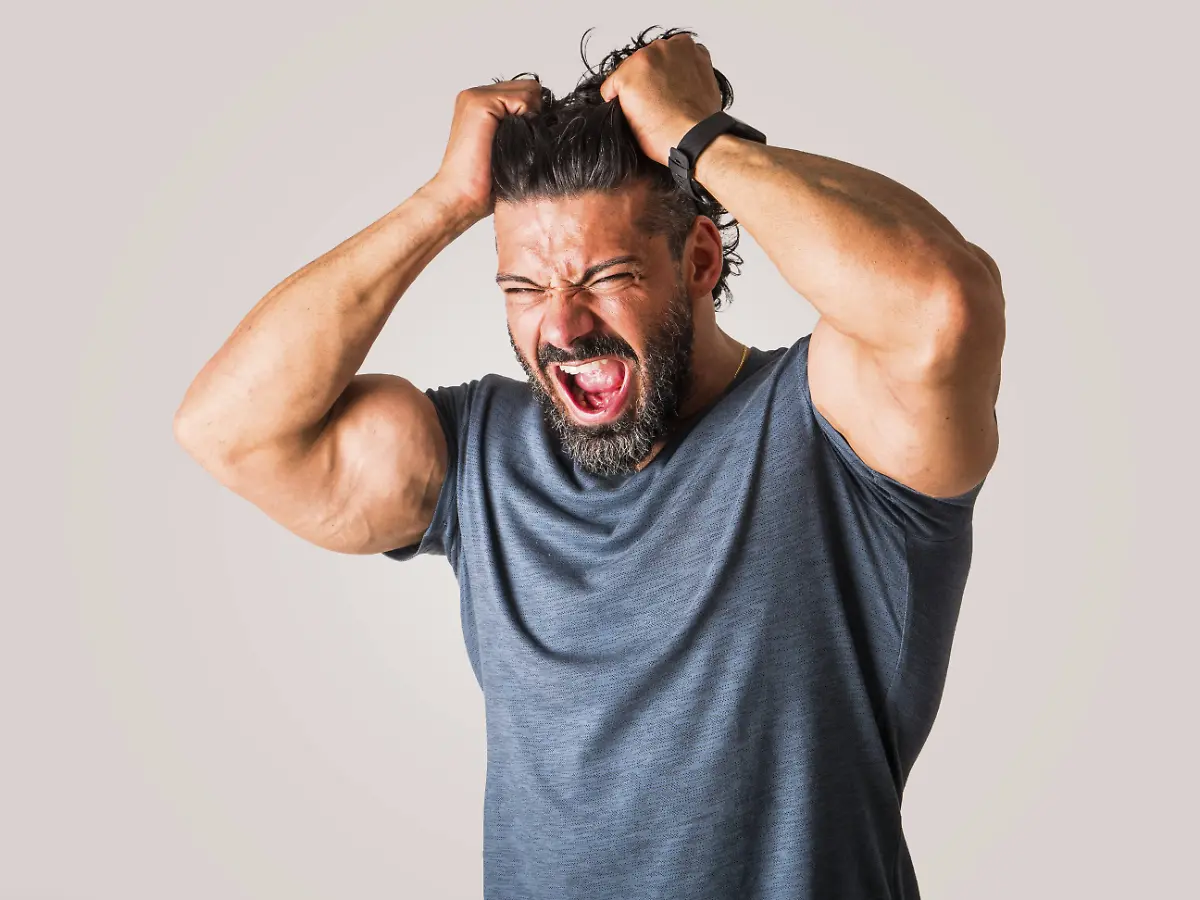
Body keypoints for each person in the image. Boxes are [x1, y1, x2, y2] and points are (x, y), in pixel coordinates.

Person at [174, 25, 1005, 900]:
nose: (562, 328)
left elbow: (942, 304)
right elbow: (230, 428)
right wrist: (445, 202)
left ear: (698, 260)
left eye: (604, 276)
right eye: (525, 289)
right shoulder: (478, 456)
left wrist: (700, 136)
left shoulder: (833, 428)